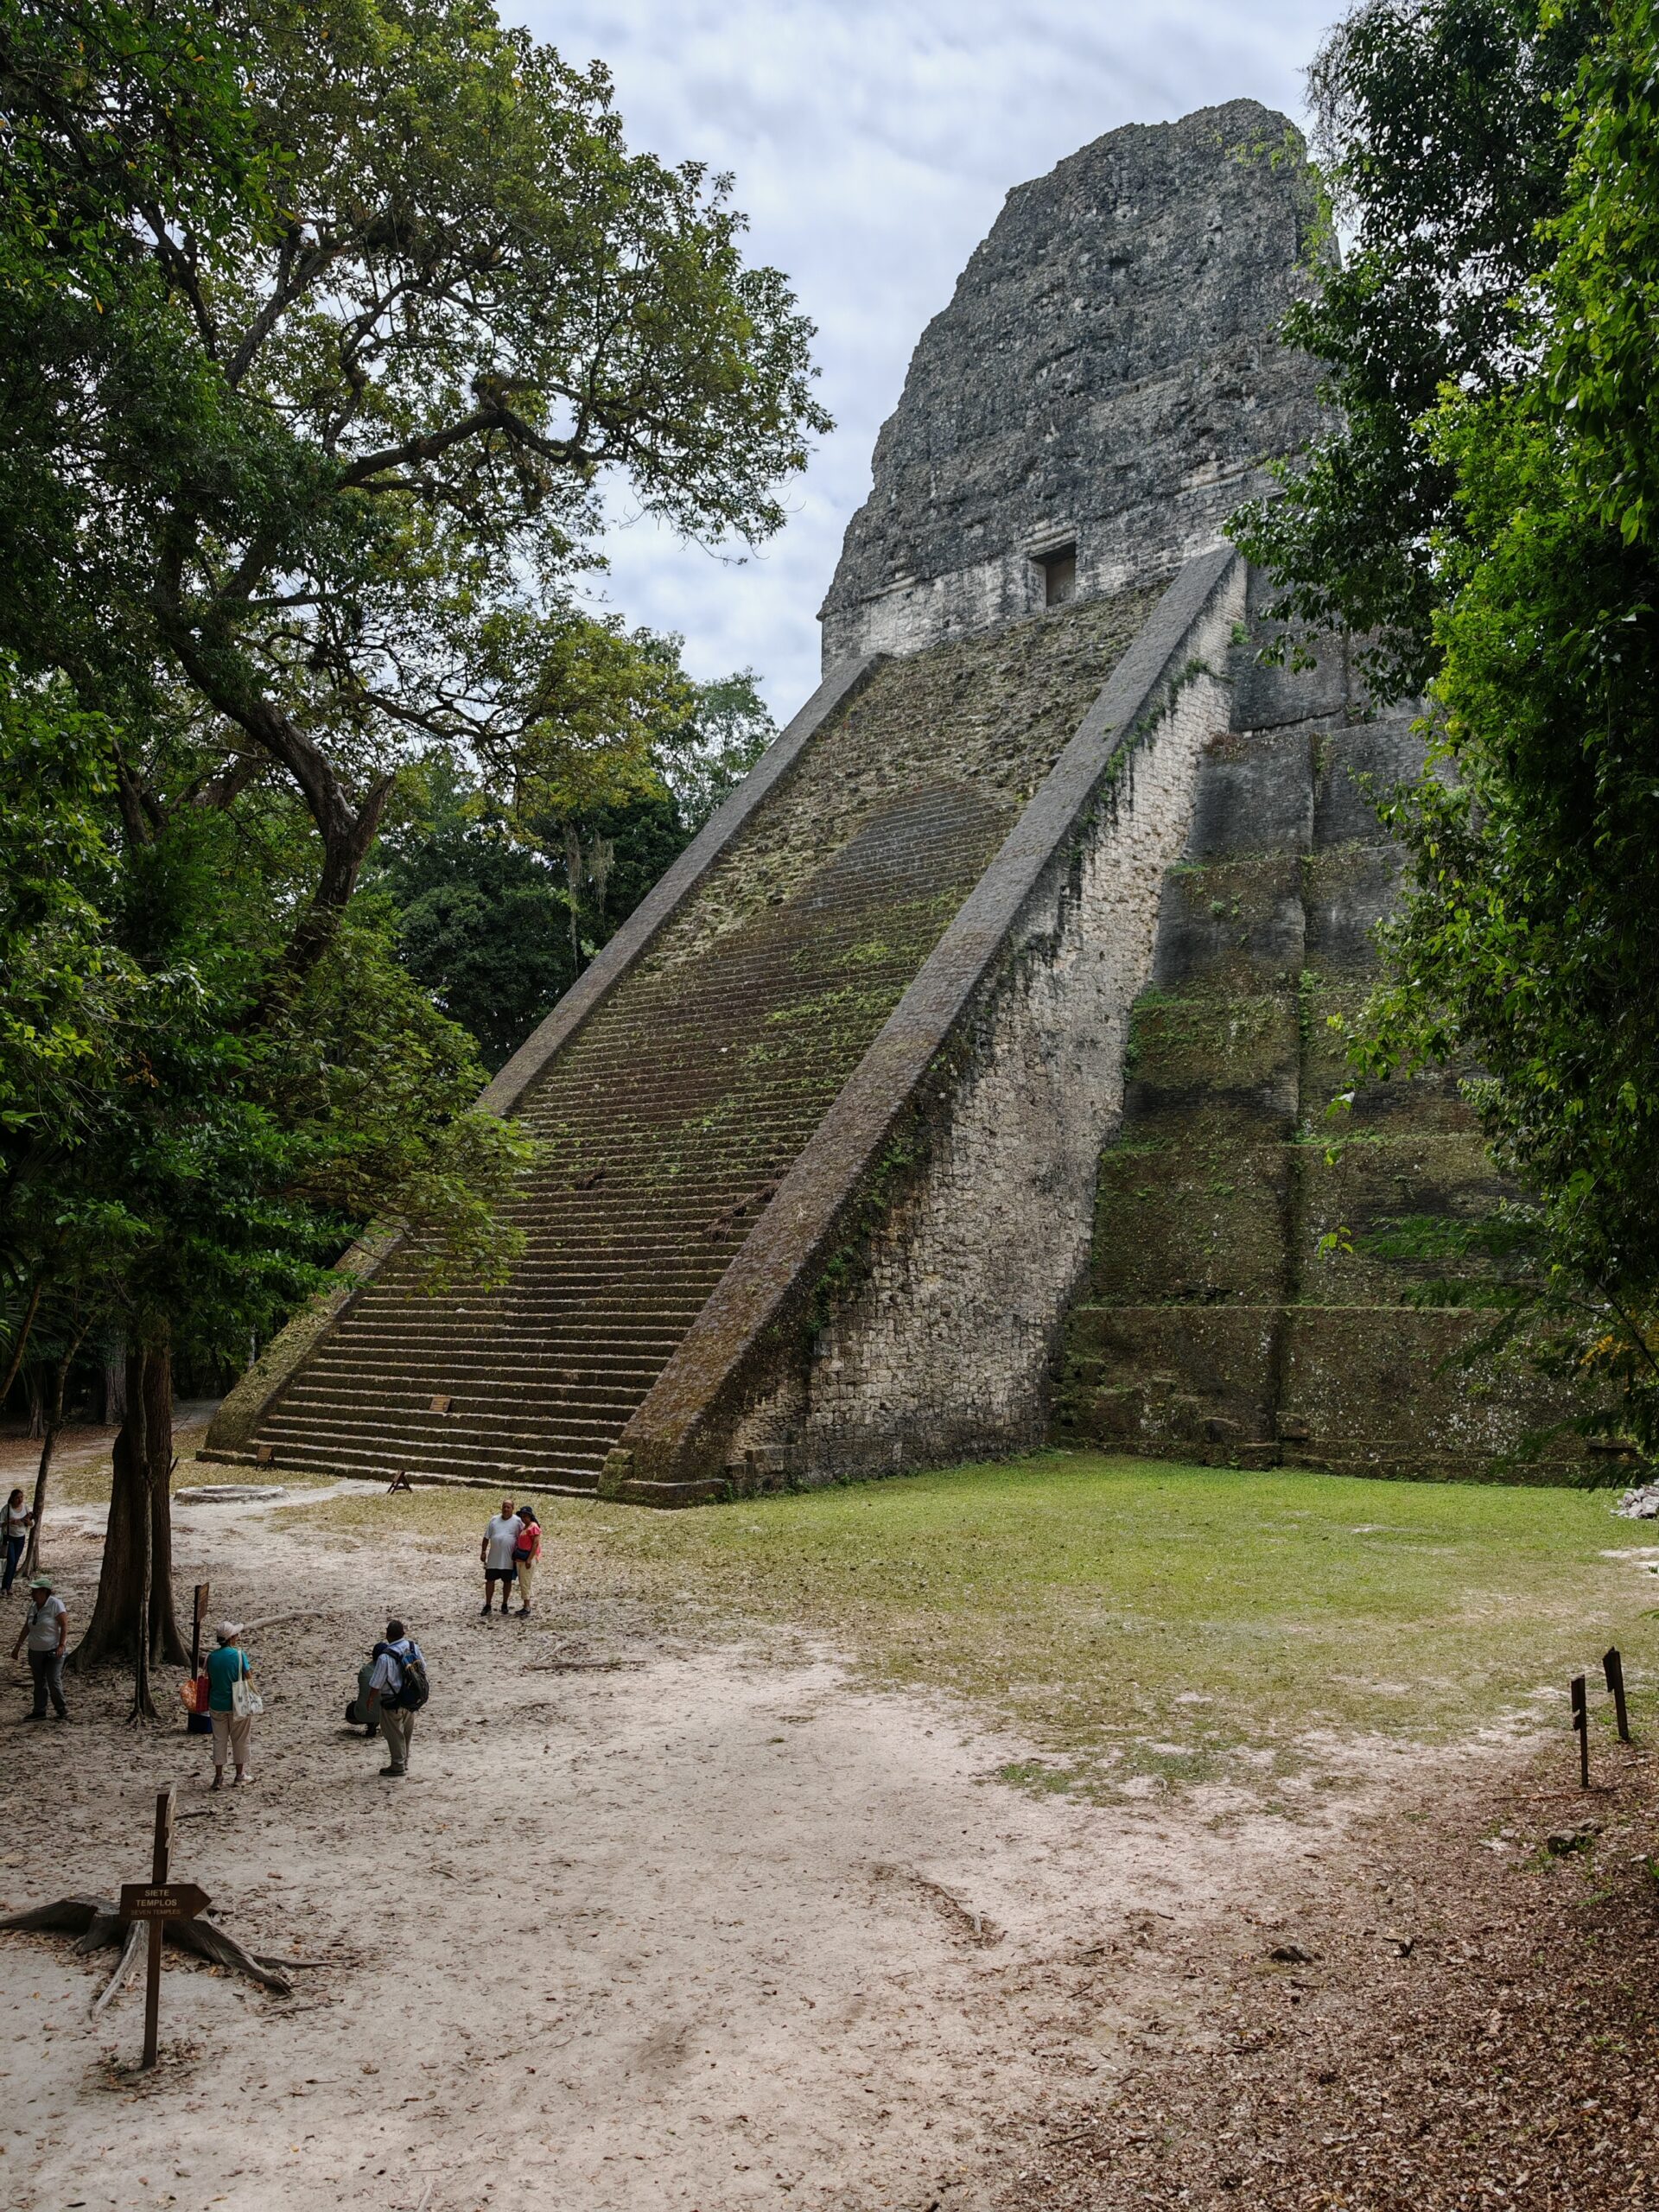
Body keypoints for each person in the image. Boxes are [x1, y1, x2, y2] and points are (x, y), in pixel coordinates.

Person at [364, 1618, 426, 1779]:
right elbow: (423, 1668)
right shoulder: (413, 1647)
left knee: (394, 1733)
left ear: (387, 1635)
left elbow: (377, 1683)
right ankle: (404, 1761)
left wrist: (370, 1699)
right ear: (403, 1633)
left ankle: (397, 1765)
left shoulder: (385, 1657)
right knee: (407, 1731)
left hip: (392, 1700)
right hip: (411, 1697)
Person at [205, 1622, 255, 1789]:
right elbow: (248, 1676)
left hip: (216, 1704)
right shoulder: (240, 1655)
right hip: (237, 1703)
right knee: (240, 1738)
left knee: (219, 1739)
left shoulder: (211, 1657)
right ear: (232, 1638)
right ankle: (240, 1775)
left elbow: (210, 1680)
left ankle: (218, 1777)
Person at [11, 1573, 67, 1720]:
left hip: (52, 1650)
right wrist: (18, 1645)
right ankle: (39, 1710)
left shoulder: (55, 1604)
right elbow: (27, 1626)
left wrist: (61, 1645)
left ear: (44, 1591)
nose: (32, 1594)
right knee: (39, 1682)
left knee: (53, 1681)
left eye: (35, 1591)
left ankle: (61, 1709)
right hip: (35, 1651)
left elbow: (64, 1625)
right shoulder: (33, 1606)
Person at [480, 1499, 522, 1617]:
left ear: (512, 1509)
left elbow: (522, 1537)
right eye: (504, 1507)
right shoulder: (494, 1520)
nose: (506, 1509)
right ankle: (488, 1604)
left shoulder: (517, 1521)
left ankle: (505, 1603)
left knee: (507, 1581)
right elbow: (486, 1537)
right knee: (490, 1581)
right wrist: (483, 1551)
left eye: (508, 1507)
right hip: (493, 1557)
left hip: (508, 1558)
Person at [512, 1502, 541, 1618]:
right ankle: (526, 1605)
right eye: (522, 1516)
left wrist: (529, 1559)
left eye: (525, 1516)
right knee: (523, 1582)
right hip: (521, 1559)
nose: (524, 1518)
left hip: (527, 1559)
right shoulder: (525, 1527)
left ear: (530, 1516)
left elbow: (535, 1544)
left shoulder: (533, 1527)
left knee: (525, 1583)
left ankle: (527, 1606)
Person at [2, 1489, 30, 1595]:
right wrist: (8, 1522)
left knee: (14, 1563)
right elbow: (0, 1522)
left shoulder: (25, 1508)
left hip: (20, 1537)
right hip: (9, 1538)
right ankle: (5, 1587)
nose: (20, 1500)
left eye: (22, 1497)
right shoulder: (7, 1508)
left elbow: (32, 1523)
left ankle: (8, 1586)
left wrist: (29, 1522)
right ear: (12, 1498)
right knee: (11, 1561)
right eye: (18, 1498)